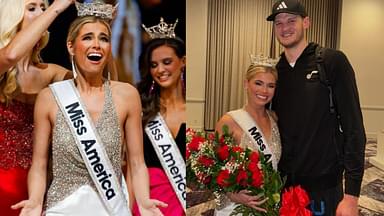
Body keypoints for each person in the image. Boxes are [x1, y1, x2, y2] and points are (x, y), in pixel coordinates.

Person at [12, 11, 167, 216]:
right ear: (71, 46)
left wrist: (144, 201)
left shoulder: (127, 95)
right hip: (62, 208)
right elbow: (39, 164)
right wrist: (34, 201)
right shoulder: (50, 97)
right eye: (87, 37)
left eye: (103, 38)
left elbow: (137, 163)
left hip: (111, 208)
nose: (97, 44)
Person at [266, 0, 366, 215]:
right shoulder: (274, 72)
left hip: (324, 188)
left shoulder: (331, 62)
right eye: (278, 23)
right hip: (283, 187)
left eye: (291, 21)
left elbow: (354, 129)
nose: (285, 28)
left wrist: (351, 196)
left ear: (307, 22)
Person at [0, 0, 73, 215]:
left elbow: (100, 85)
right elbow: (11, 55)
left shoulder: (51, 72)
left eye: (44, 7)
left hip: (38, 185)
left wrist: (104, 25)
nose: (42, 14)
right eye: (32, 8)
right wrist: (56, 8)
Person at [133, 18, 186, 215]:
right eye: (154, 64)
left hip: (185, 201)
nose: (160, 70)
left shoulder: (193, 112)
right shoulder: (141, 107)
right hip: (149, 201)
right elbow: (132, 164)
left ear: (183, 62)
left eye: (167, 62)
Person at [214, 61, 281, 215]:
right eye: (258, 83)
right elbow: (213, 169)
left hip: (268, 203)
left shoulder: (275, 119)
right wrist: (232, 194)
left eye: (270, 86)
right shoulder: (229, 121)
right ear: (246, 83)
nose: (264, 90)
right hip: (236, 207)